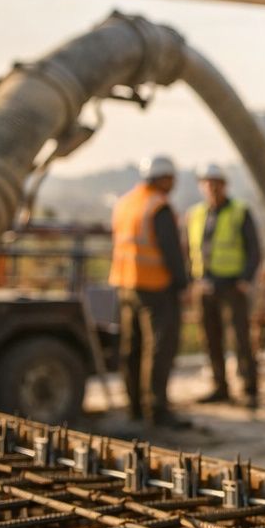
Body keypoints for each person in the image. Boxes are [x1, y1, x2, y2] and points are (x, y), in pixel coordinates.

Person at [108, 154, 189, 428]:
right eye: (171, 179)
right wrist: (182, 284)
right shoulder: (158, 207)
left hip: (125, 284)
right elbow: (171, 251)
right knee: (158, 349)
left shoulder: (125, 203)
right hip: (155, 287)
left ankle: (134, 407)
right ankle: (156, 409)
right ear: (163, 178)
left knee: (131, 347)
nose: (173, 184)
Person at [187, 163, 261, 409]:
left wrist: (245, 280)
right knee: (211, 339)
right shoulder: (195, 214)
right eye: (207, 183)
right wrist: (191, 282)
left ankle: (249, 389)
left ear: (224, 185)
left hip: (231, 285)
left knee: (240, 339)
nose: (212, 188)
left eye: (216, 183)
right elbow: (189, 249)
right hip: (204, 286)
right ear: (201, 186)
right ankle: (220, 387)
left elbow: (254, 249)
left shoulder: (239, 211)